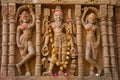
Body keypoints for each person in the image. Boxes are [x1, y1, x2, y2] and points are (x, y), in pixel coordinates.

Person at [42, 6, 76, 76]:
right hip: (55, 41)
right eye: (56, 15)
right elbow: (48, 34)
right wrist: (45, 44)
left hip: (64, 40)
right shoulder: (51, 24)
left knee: (63, 55)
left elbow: (69, 35)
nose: (58, 17)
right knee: (54, 55)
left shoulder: (64, 24)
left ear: (62, 17)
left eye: (60, 15)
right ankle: (50, 70)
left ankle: (61, 71)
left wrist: (72, 46)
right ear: (53, 16)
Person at [81, 7, 102, 76]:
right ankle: (99, 67)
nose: (92, 20)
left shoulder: (95, 27)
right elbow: (82, 20)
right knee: (87, 57)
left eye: (93, 19)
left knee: (94, 57)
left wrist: (98, 42)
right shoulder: (86, 25)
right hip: (88, 42)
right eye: (90, 18)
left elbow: (98, 35)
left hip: (94, 41)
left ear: (95, 20)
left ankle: (92, 71)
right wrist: (84, 12)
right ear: (88, 19)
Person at [16, 5, 35, 76]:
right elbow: (17, 36)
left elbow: (34, 20)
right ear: (20, 18)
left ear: (29, 18)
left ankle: (19, 64)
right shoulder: (19, 26)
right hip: (22, 40)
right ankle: (28, 71)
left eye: (26, 17)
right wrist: (18, 43)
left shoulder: (30, 25)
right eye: (23, 17)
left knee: (32, 52)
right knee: (24, 55)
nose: (25, 18)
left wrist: (32, 11)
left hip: (29, 41)